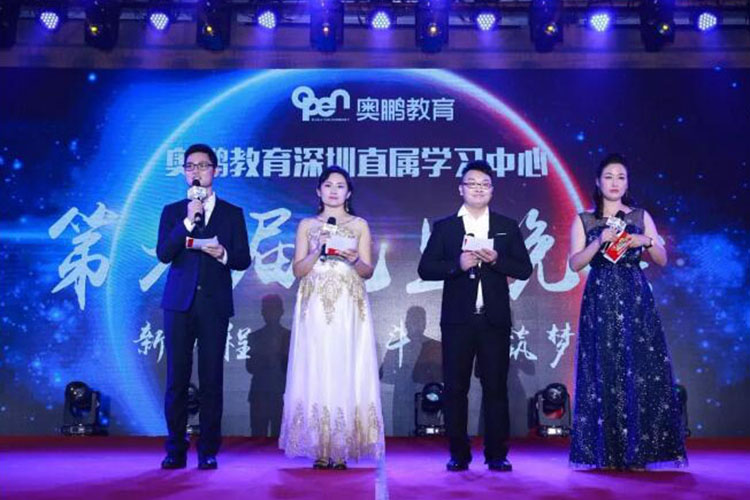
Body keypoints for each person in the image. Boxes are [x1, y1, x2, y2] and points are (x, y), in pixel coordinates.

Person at [568, 153, 687, 470]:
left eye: (621, 177)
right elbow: (575, 263)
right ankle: (606, 452)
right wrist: (599, 242)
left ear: (627, 182)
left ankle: (640, 451)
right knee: (604, 367)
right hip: (600, 299)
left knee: (640, 368)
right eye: (609, 177)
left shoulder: (639, 215)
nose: (615, 183)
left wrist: (644, 240)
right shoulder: (584, 219)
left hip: (634, 298)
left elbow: (661, 259)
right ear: (598, 182)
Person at [418, 160, 532, 472]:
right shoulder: (446, 227)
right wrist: (457, 265)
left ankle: (497, 454)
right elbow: (425, 268)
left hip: (494, 320)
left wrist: (497, 260)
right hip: (458, 320)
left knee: (496, 388)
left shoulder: (506, 225)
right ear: (461, 189)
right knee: (456, 389)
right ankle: (459, 454)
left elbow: (524, 268)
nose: (478, 189)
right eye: (472, 183)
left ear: (492, 190)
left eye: (484, 184)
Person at [279, 166, 385, 470]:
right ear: (319, 191)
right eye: (328, 185)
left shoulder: (360, 225)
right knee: (316, 365)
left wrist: (354, 259)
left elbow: (367, 271)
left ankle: (342, 446)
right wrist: (316, 249)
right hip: (314, 305)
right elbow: (298, 270)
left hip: (348, 306)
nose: (334, 191)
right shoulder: (307, 225)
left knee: (344, 365)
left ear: (348, 192)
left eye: (340, 186)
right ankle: (319, 446)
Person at [156, 143, 251, 470]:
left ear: (216, 171)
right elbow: (164, 254)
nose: (196, 171)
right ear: (184, 172)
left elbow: (243, 259)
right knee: (176, 380)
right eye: (190, 166)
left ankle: (208, 449)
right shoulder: (172, 211)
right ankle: (175, 449)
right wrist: (186, 222)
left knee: (211, 380)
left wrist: (222, 253)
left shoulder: (232, 213)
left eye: (203, 165)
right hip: (178, 304)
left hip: (214, 304)